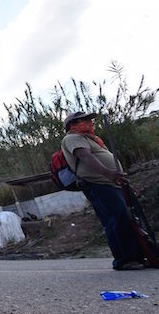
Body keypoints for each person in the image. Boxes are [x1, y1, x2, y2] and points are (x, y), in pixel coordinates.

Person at [61, 111, 145, 270]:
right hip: (98, 184)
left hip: (112, 184)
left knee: (128, 217)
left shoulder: (91, 139)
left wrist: (124, 184)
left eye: (89, 120)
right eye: (85, 120)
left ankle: (138, 255)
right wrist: (109, 173)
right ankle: (124, 259)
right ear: (73, 125)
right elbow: (85, 157)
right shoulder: (72, 138)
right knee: (116, 219)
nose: (90, 123)